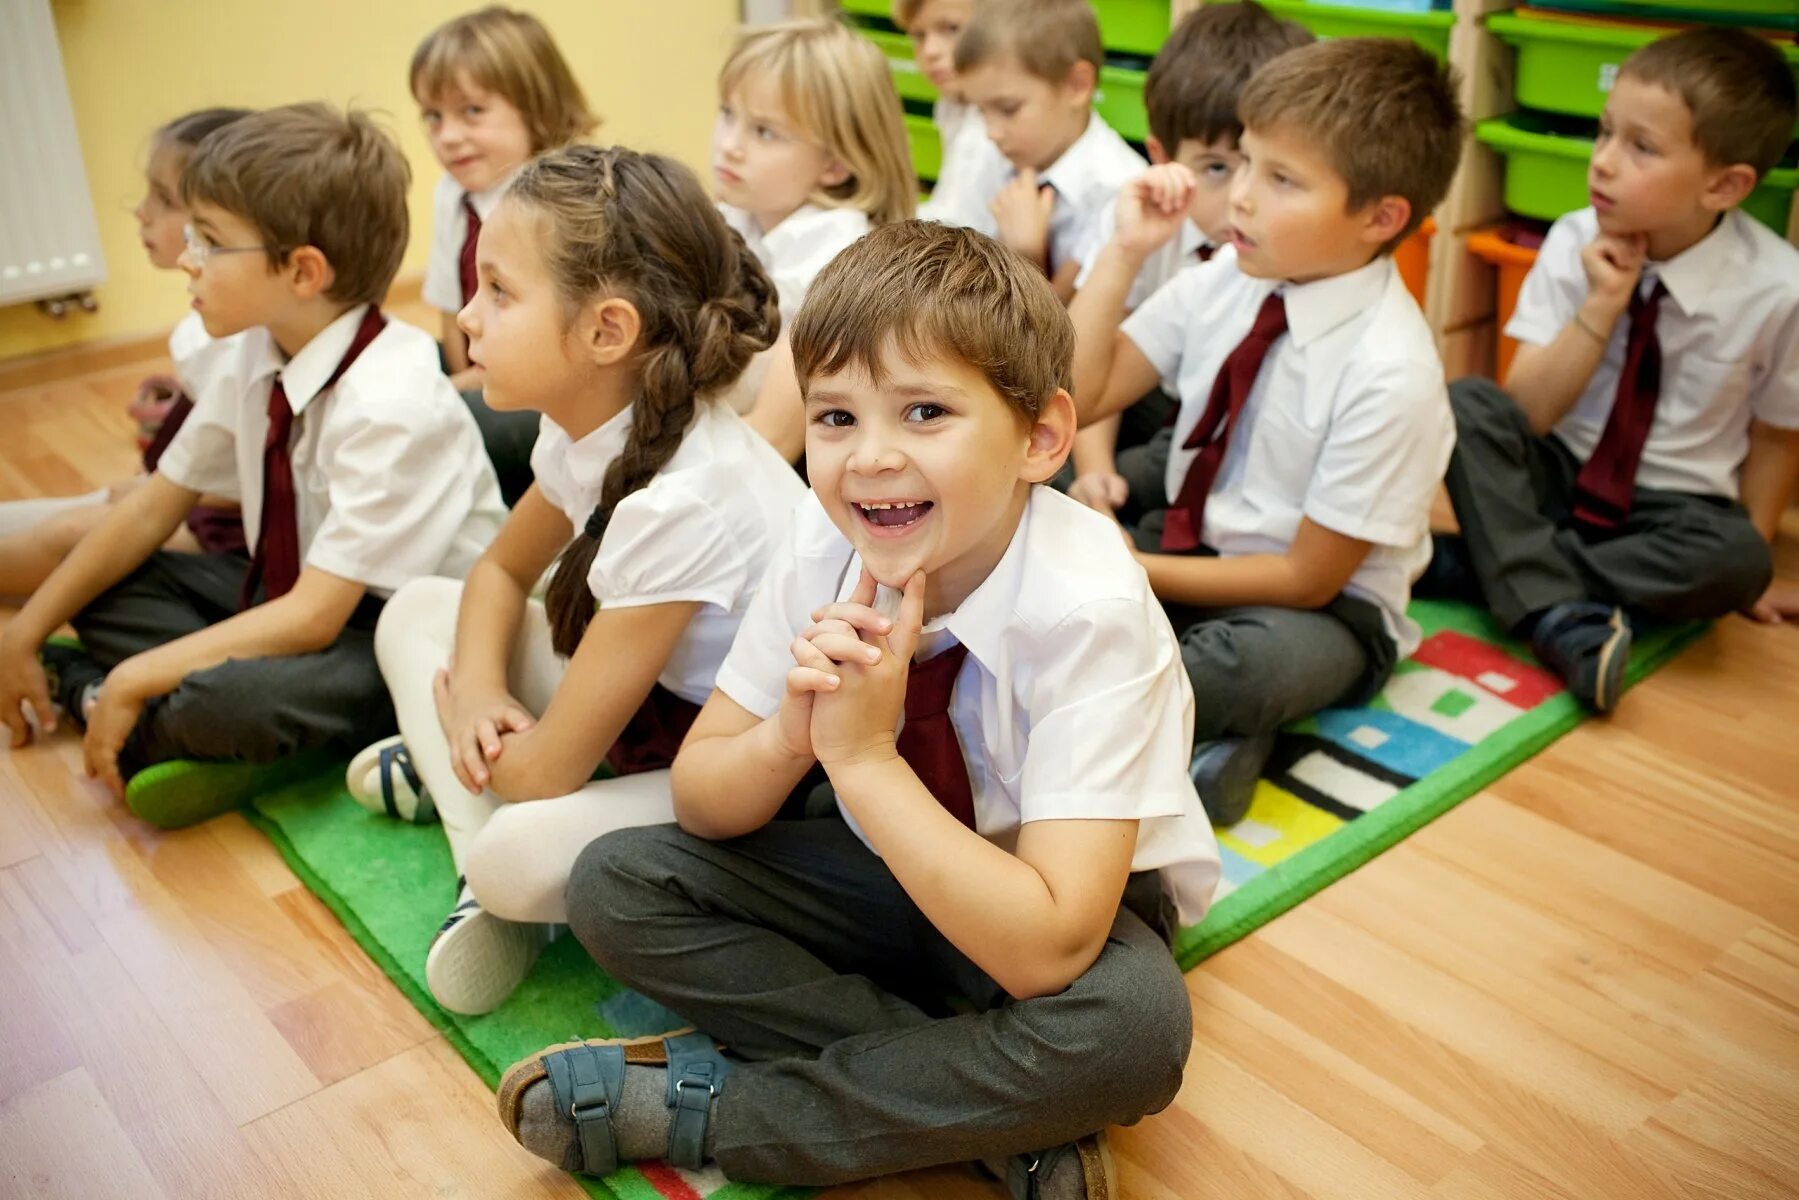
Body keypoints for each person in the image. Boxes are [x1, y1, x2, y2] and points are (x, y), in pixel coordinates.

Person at [496, 220, 1219, 1200]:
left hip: (1053, 906)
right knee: (617, 884)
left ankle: (719, 1111)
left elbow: (1049, 947)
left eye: (923, 411)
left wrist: (868, 760)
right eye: (834, 418)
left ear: (1040, 439)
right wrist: (795, 731)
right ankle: (993, 1113)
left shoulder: (1089, 606)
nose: (867, 459)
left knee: (1133, 1031)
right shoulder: (820, 536)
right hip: (882, 871)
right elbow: (706, 800)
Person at [345, 145, 802, 1015]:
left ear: (607, 332)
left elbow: (545, 772)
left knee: (512, 850)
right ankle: (473, 843)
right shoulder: (584, 424)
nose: (467, 318)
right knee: (416, 610)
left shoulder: (684, 502)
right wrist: (477, 695)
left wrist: (464, 726)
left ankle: (473, 851)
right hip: (644, 708)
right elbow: (497, 570)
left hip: (734, 768)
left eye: (499, 292)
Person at [0, 104, 505, 828]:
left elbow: (314, 617)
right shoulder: (253, 348)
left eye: (209, 241)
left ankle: (102, 694)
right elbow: (152, 507)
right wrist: (23, 631)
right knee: (104, 578)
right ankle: (153, 717)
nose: (185, 258)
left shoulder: (391, 400)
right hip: (288, 597)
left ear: (302, 270)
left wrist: (136, 676)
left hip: (396, 636)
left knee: (229, 704)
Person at [1070, 38, 1464, 825]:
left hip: (1321, 613)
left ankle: (1196, 719)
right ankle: (1217, 744)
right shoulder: (1228, 274)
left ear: (1378, 218)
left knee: (1234, 667)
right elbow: (1080, 394)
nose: (1240, 197)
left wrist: (1133, 570)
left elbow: (1306, 579)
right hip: (1190, 543)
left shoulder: (1392, 372)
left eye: (1280, 179)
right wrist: (1124, 251)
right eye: (1244, 162)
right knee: (1025, 482)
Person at [1426, 26, 1799, 707]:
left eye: (1640, 148)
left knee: (1737, 560)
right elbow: (1527, 411)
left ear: (1724, 184)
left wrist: (1759, 569)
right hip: (1560, 472)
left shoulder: (1779, 289)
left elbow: (1777, 435)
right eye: (1603, 133)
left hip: (1672, 509)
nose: (1601, 161)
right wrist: (1601, 306)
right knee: (1465, 403)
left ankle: (1491, 569)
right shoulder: (1571, 238)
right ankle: (1554, 610)